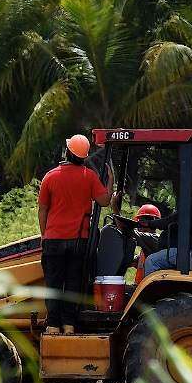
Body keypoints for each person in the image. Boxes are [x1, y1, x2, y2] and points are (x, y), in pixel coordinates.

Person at [38, 134, 109, 334]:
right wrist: (110, 182)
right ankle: (69, 325)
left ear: (68, 152)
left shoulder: (50, 176)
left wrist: (45, 235)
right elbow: (104, 201)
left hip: (53, 240)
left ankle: (52, 325)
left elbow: (42, 210)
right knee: (73, 284)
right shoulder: (90, 177)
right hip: (79, 241)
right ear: (84, 157)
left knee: (53, 284)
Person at [143, 178, 192, 275]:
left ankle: (151, 290)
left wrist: (149, 223)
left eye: (189, 188)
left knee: (151, 261)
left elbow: (170, 221)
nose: (186, 192)